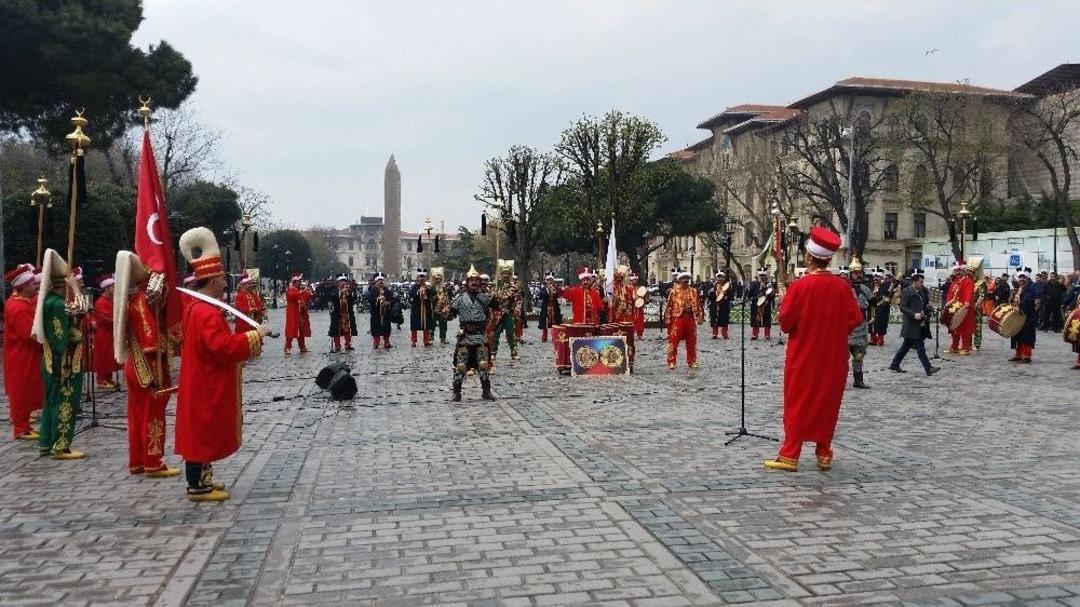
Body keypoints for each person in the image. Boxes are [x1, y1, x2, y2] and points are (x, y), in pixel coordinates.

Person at [176, 227, 269, 501]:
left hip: (203, 377)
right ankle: (198, 486)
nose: (225, 283)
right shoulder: (205, 312)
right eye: (221, 279)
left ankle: (203, 478)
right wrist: (255, 335)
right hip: (206, 381)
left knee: (203, 428)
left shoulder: (198, 308)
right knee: (202, 429)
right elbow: (223, 347)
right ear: (213, 279)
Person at [764, 227, 863, 472]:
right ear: (828, 258)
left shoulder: (801, 286)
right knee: (826, 403)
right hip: (834, 357)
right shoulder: (842, 287)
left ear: (809, 257)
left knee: (799, 401)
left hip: (804, 356)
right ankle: (824, 453)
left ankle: (790, 454)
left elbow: (786, 323)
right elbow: (855, 319)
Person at [112, 251, 181, 478]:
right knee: (153, 415)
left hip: (135, 364)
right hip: (148, 366)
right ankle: (153, 462)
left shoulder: (134, 299)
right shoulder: (142, 302)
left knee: (137, 416)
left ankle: (138, 461)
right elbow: (150, 339)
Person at [32, 249, 89, 460]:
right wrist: (75, 288)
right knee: (65, 402)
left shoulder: (49, 302)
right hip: (63, 362)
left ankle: (46, 442)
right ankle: (61, 445)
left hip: (51, 362)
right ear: (61, 285)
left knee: (51, 402)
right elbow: (84, 309)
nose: (79, 284)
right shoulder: (57, 304)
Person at [4, 264, 44, 440]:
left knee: (27, 388)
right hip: (22, 354)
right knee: (21, 390)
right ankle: (20, 428)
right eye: (32, 284)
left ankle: (25, 425)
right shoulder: (18, 307)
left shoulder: (21, 303)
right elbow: (30, 334)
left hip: (25, 353)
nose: (35, 286)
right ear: (23, 287)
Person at [448, 265, 494, 401]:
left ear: (480, 283)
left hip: (480, 336)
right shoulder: (459, 299)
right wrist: (446, 312)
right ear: (467, 282)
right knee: (461, 366)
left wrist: (499, 297)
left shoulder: (485, 298)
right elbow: (450, 316)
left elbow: (499, 307)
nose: (474, 283)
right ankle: (456, 392)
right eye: (471, 280)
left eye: (476, 280)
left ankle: (486, 391)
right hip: (465, 336)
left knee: (483, 365)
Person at [888, 270, 942, 376]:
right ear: (914, 282)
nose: (922, 284)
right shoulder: (907, 291)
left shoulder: (922, 292)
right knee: (920, 347)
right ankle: (928, 368)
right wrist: (914, 314)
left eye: (922, 282)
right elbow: (903, 307)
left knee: (906, 346)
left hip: (920, 323)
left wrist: (929, 308)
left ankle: (894, 364)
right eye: (920, 282)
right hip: (911, 324)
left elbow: (924, 304)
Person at [664, 270, 704, 370]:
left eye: (687, 279)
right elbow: (669, 305)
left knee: (691, 342)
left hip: (690, 318)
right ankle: (671, 361)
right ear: (679, 280)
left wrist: (700, 317)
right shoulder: (674, 291)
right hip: (678, 318)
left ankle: (692, 361)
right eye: (683, 279)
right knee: (674, 340)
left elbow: (699, 305)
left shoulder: (694, 291)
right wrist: (667, 318)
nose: (686, 281)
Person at [844, 259, 873, 389]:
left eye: (860, 272)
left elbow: (874, 303)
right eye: (855, 273)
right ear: (850, 274)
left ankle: (858, 380)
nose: (858, 275)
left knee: (859, 356)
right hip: (845, 328)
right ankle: (839, 379)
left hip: (860, 327)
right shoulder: (843, 288)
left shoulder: (865, 289)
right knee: (840, 358)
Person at [91, 274, 121, 390]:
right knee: (104, 357)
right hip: (103, 334)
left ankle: (108, 378)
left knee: (109, 358)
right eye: (113, 286)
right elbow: (105, 318)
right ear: (107, 288)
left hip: (111, 333)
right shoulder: (101, 302)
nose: (114, 288)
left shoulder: (110, 300)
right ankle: (101, 380)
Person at [488, 261, 521, 369]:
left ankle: (514, 351)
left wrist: (517, 309)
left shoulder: (514, 287)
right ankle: (493, 352)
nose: (506, 275)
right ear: (501, 274)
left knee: (511, 333)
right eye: (504, 273)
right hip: (497, 313)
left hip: (509, 313)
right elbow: (490, 299)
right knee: (495, 333)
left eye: (508, 273)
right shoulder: (495, 285)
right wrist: (493, 294)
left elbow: (519, 300)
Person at [944, 261, 976, 355]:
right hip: (954, 308)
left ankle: (965, 347)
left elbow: (968, 292)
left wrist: (967, 302)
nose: (957, 272)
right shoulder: (955, 282)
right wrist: (948, 302)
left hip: (964, 308)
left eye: (959, 270)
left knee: (965, 328)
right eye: (956, 270)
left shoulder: (968, 281)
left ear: (964, 271)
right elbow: (950, 293)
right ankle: (954, 346)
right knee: (953, 328)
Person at [1009, 267, 1039, 363]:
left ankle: (1026, 356)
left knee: (1026, 336)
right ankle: (1018, 354)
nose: (1021, 279)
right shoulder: (1018, 288)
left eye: (1023, 277)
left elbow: (1028, 300)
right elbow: (1014, 299)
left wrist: (1020, 307)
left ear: (1027, 278)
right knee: (1017, 335)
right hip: (1018, 316)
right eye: (1020, 277)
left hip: (1028, 316)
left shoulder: (1031, 288)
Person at [284, 273, 312, 354]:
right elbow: (292, 296)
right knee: (291, 331)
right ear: (294, 282)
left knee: (302, 331)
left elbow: (308, 297)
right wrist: (302, 291)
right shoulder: (290, 289)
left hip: (301, 314)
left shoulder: (300, 290)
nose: (299, 283)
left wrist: (308, 291)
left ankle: (302, 347)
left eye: (299, 281)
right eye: (297, 282)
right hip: (293, 314)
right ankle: (287, 347)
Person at [365, 273, 392, 349]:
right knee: (375, 328)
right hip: (376, 313)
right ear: (376, 282)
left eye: (381, 280)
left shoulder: (386, 290)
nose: (380, 282)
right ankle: (376, 342)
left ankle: (386, 342)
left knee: (386, 328)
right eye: (379, 280)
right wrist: (377, 299)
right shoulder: (373, 290)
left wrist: (388, 302)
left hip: (385, 313)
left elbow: (391, 298)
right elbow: (369, 298)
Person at [747, 269, 776, 340]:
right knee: (755, 319)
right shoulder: (754, 284)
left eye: (763, 275)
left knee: (767, 320)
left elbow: (772, 295)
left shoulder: (769, 284)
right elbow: (750, 294)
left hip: (766, 304)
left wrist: (769, 298)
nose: (762, 277)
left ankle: (767, 334)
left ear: (766, 276)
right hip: (756, 304)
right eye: (761, 275)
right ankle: (755, 334)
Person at [409, 269, 435, 347]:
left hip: (426, 308)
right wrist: (418, 292)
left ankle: (426, 340)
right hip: (416, 308)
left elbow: (432, 295)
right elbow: (411, 295)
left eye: (423, 277)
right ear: (418, 277)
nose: (421, 278)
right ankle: (413, 341)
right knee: (414, 325)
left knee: (426, 325)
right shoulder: (414, 286)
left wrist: (428, 291)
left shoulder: (428, 286)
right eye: (420, 277)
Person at [537, 272, 563, 342]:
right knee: (545, 323)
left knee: (555, 323)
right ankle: (544, 337)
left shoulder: (556, 288)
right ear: (547, 281)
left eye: (551, 280)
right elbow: (541, 296)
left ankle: (554, 337)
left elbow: (559, 295)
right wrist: (547, 291)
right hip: (546, 307)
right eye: (549, 280)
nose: (550, 281)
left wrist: (555, 291)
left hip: (554, 307)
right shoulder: (543, 288)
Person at [706, 271, 732, 340]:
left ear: (724, 278)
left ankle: (724, 334)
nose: (720, 279)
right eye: (719, 277)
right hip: (714, 305)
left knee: (724, 320)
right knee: (714, 320)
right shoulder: (713, 285)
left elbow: (730, 295)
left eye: (721, 277)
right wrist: (711, 293)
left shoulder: (728, 286)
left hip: (724, 305)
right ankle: (715, 334)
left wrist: (726, 295)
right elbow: (710, 296)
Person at [430, 268, 452, 344]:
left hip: (443, 309)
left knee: (443, 324)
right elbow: (429, 298)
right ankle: (431, 337)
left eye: (439, 278)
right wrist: (435, 296)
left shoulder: (444, 287)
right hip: (434, 308)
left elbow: (447, 296)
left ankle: (443, 338)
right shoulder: (431, 287)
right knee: (432, 324)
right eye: (436, 279)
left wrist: (447, 304)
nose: (438, 280)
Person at [629, 273, 646, 339]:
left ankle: (640, 334)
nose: (634, 281)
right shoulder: (628, 288)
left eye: (635, 279)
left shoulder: (640, 288)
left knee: (640, 320)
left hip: (639, 307)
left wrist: (642, 301)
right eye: (633, 280)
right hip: (632, 307)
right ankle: (631, 333)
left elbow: (644, 296)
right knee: (631, 320)